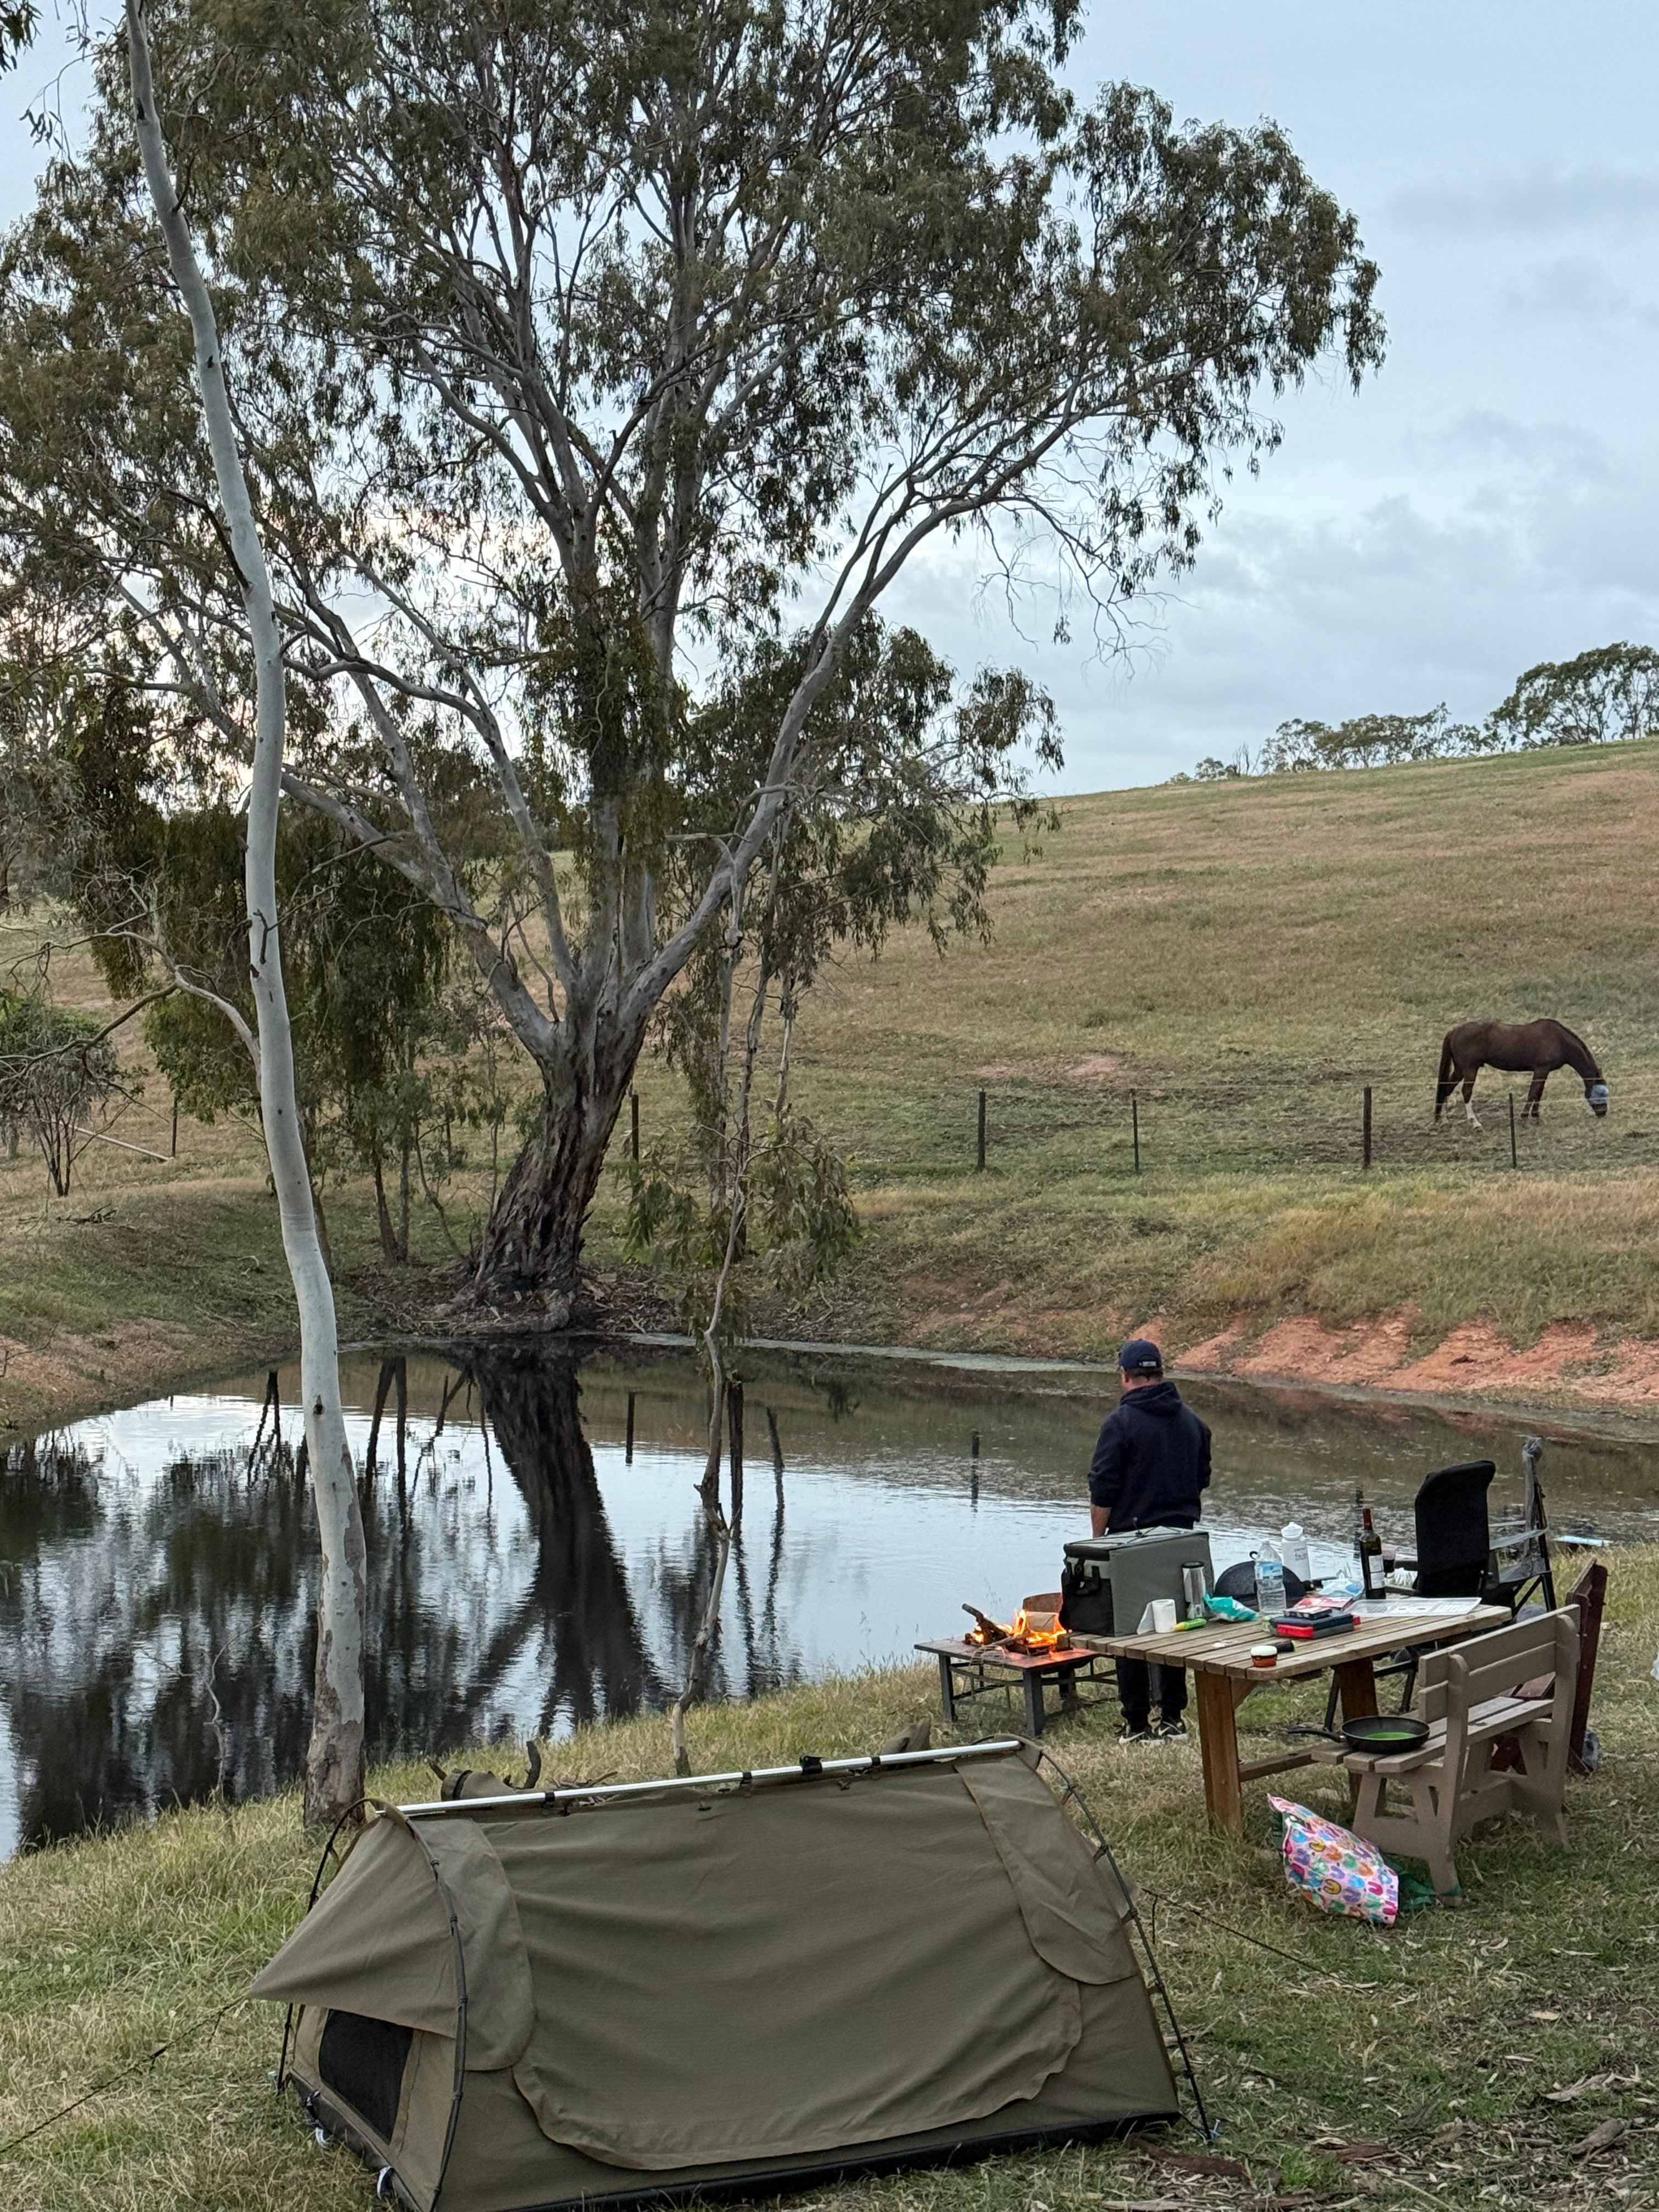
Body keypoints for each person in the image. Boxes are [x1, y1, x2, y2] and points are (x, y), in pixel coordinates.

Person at [1088, 1338, 1211, 1744]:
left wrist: (1098, 1540)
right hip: (1181, 1540)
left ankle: (1137, 1724)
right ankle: (1174, 1717)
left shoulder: (1119, 1425)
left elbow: (1103, 1490)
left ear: (1124, 1376)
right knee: (1175, 1627)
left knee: (1128, 1632)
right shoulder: (1194, 1422)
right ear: (1159, 1373)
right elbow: (1202, 1480)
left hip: (1131, 1540)